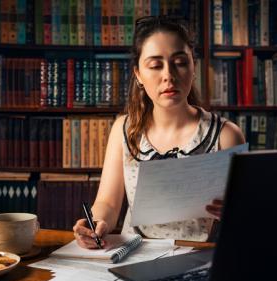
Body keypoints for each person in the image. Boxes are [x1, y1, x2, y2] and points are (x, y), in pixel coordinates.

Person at [73, 15, 245, 249]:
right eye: (155, 65)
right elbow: (108, 203)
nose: (168, 75)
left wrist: (236, 213)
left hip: (198, 256)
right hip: (132, 253)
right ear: (138, 75)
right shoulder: (124, 129)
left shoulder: (226, 135)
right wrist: (96, 224)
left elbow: (247, 214)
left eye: (180, 62)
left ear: (193, 67)